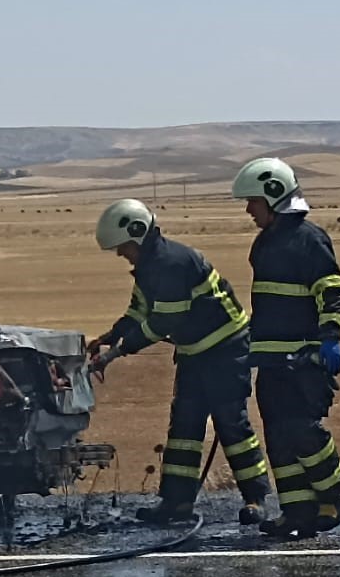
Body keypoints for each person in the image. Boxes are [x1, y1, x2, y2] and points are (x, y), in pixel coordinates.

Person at [88, 197, 272, 525]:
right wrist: (108, 336)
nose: (120, 254)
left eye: (123, 246)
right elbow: (139, 311)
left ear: (138, 233)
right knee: (184, 428)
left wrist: (116, 354)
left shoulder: (172, 263)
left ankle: (256, 499)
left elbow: (163, 322)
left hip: (225, 350)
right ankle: (176, 504)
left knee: (231, 422)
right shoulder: (149, 267)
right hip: (194, 352)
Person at [231, 157, 340, 538]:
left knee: (302, 431)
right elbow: (269, 304)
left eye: (253, 201)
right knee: (279, 438)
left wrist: (330, 339)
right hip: (270, 360)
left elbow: (333, 292)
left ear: (274, 195)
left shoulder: (309, 239)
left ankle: (334, 494)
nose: (248, 209)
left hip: (302, 359)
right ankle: (297, 511)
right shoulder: (265, 243)